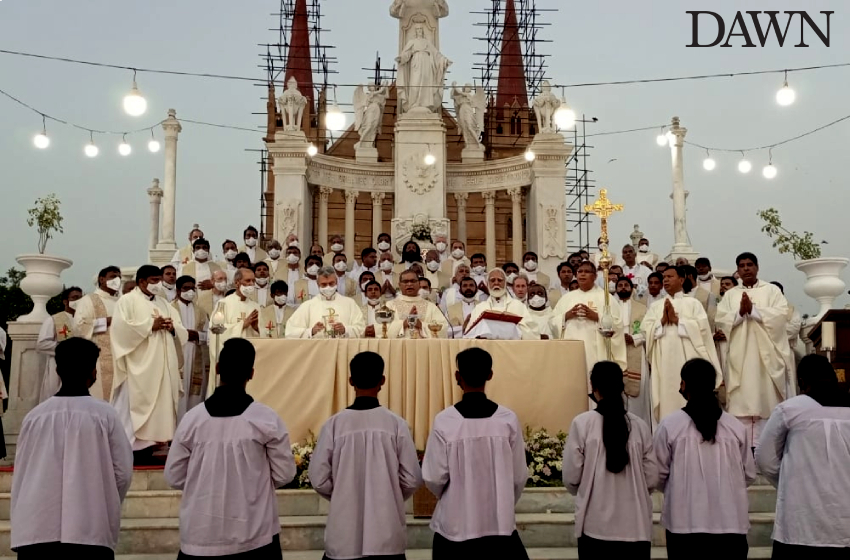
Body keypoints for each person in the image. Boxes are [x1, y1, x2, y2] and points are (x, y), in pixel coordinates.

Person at [165, 338, 296, 559]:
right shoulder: (265, 419)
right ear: (251, 373)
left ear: (217, 368)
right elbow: (285, 474)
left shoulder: (191, 420)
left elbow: (174, 477)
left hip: (200, 538)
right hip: (254, 537)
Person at [11, 338, 133, 560]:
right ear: (94, 372)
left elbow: (22, 473)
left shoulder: (35, 417)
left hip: (36, 529)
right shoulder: (105, 415)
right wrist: (101, 499)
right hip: (89, 531)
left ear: (57, 370)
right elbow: (122, 473)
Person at [310, 352, 422, 560]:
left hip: (344, 536)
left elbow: (318, 478)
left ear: (351, 381)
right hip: (386, 535)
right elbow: (412, 478)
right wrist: (390, 494)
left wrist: (343, 494)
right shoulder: (396, 425)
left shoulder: (334, 425)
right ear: (382, 381)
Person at [422, 348, 530, 559]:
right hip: (499, 528)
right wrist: (499, 502)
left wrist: (457, 498)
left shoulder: (446, 421)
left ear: (457, 376)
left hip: (455, 529)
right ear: (490, 375)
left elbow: (433, 477)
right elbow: (518, 476)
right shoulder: (507, 420)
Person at [654, 358, 755, 560]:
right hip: (730, 523)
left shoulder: (670, 425)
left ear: (684, 385)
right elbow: (748, 474)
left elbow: (657, 474)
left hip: (685, 524)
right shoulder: (735, 426)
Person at [755, 354, 850, 558]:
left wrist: (791, 481)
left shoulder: (790, 409)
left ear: (801, 381)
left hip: (801, 523)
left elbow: (764, 459)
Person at [562, 361, 657, 559]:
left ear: (593, 387)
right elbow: (651, 478)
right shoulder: (639, 426)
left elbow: (571, 476)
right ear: (621, 387)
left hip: (594, 525)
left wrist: (588, 487)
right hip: (635, 527)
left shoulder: (583, 424)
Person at [716, 252, 795, 451]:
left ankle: (767, 447)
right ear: (737, 270)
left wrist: (754, 311)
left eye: (750, 264)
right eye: (741, 265)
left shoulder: (771, 291)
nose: (746, 268)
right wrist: (740, 313)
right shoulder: (731, 295)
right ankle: (743, 448)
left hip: (766, 357)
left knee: (766, 398)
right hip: (740, 357)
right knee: (742, 400)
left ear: (757, 267)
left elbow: (781, 315)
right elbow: (721, 319)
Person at [111, 265, 187, 461]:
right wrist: (149, 326)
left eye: (159, 280)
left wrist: (172, 329)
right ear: (142, 281)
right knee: (132, 405)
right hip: (139, 366)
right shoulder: (127, 301)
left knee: (161, 404)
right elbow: (120, 330)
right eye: (154, 280)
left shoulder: (164, 303)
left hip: (162, 364)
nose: (158, 284)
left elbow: (180, 329)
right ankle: (129, 448)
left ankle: (155, 444)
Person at [643, 267, 721, 424]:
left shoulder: (693, 303)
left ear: (682, 279)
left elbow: (703, 331)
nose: (665, 280)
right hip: (664, 362)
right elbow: (646, 331)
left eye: (670, 276)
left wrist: (678, 320)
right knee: (666, 400)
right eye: (664, 277)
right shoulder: (656, 306)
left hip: (687, 359)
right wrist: (662, 322)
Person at [551, 261, 627, 385]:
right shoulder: (567, 298)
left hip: (596, 351)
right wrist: (566, 316)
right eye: (580, 271)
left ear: (595, 276)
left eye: (587, 272)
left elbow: (617, 325)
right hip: (572, 352)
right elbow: (552, 323)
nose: (582, 274)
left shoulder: (605, 297)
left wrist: (597, 317)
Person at [74, 265, 122, 401]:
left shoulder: (121, 302)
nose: (117, 280)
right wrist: (105, 322)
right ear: (101, 279)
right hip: (99, 358)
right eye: (113, 276)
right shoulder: (88, 300)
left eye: (119, 277)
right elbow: (78, 327)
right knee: (99, 395)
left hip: (120, 356)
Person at [207, 268, 262, 380]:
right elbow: (215, 330)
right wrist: (242, 325)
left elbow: (263, 335)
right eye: (247, 281)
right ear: (237, 283)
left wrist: (256, 328)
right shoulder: (223, 304)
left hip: (248, 359)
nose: (251, 284)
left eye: (253, 281)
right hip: (230, 359)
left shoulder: (255, 306)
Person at [286, 266, 366, 339]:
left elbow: (362, 328)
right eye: (324, 284)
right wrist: (311, 331)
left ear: (336, 282)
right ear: (318, 284)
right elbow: (290, 332)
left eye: (331, 283)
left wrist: (346, 330)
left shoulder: (350, 304)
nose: (328, 287)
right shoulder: (308, 306)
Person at [35, 286, 82, 402]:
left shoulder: (85, 320)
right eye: (75, 298)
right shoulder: (54, 319)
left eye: (81, 298)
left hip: (81, 367)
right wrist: (67, 348)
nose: (79, 301)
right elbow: (42, 344)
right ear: (65, 301)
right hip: (58, 367)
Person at [173, 276, 210, 421]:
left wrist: (197, 335)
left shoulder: (200, 311)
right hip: (178, 354)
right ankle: (175, 428)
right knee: (178, 392)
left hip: (195, 353)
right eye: (185, 288)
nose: (190, 291)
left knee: (194, 393)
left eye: (192, 288)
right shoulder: (170, 308)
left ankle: (192, 424)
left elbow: (208, 333)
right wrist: (183, 334)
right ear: (178, 290)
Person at [617, 277, 650, 425]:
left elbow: (648, 330)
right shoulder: (610, 306)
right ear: (616, 289)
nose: (623, 287)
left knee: (638, 394)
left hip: (635, 350)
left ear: (632, 288)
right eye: (620, 285)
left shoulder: (642, 308)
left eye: (626, 285)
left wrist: (634, 338)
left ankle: (638, 426)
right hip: (616, 351)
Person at [466, 269, 533, 340]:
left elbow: (530, 333)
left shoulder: (518, 306)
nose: (496, 283)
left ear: (505, 284)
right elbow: (470, 335)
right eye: (492, 280)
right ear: (487, 284)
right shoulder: (479, 308)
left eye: (500, 280)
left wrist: (512, 330)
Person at [385, 269, 448, 338]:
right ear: (399, 285)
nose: (409, 284)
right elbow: (382, 329)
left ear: (418, 284)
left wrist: (421, 325)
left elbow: (444, 328)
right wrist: (405, 323)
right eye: (405, 281)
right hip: (399, 346)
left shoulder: (431, 306)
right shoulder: (390, 305)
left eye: (413, 281)